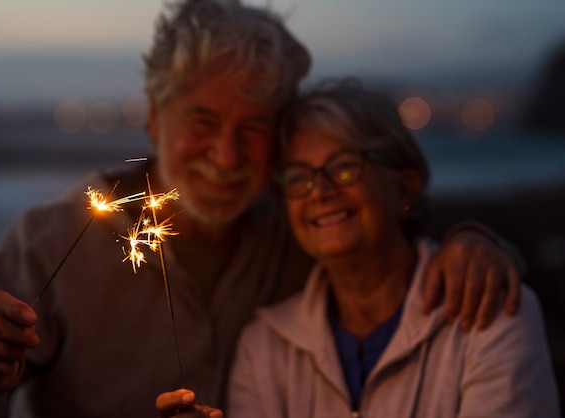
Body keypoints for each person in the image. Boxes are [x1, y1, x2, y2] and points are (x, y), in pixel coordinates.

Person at [0, 1, 522, 417]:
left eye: (253, 128)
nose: (226, 154)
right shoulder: (49, 238)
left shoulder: (294, 231)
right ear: (153, 118)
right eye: (202, 122)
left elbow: (387, 242)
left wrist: (480, 242)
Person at [221, 79, 560, 417]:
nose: (319, 191)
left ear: (405, 188)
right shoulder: (264, 347)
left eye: (344, 167)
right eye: (297, 176)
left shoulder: (489, 316)